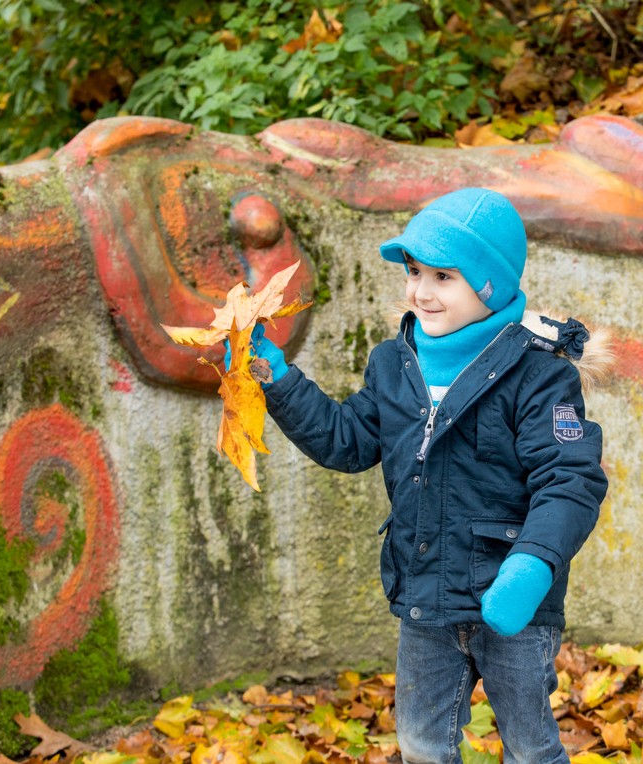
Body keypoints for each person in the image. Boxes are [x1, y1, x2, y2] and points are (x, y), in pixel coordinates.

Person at [250, 187, 610, 764]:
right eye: (415, 272)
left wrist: (533, 563)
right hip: (426, 595)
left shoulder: (538, 375)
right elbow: (348, 440)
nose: (421, 291)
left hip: (510, 596)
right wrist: (279, 381)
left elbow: (570, 476)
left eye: (444, 277)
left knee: (529, 745)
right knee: (420, 742)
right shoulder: (395, 364)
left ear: (488, 286)